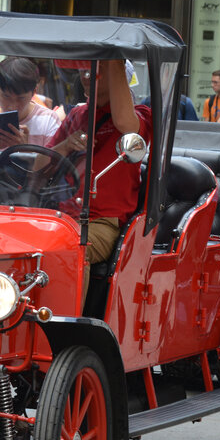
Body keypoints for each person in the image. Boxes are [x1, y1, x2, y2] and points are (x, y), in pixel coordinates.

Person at [48, 60, 152, 294]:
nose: (86, 75)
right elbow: (38, 164)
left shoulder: (140, 115)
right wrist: (66, 145)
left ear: (120, 80)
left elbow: (126, 125)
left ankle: (64, 325)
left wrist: (113, 58)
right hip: (63, 216)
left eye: (97, 70)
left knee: (75, 247)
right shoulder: (77, 114)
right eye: (85, 69)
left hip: (103, 222)